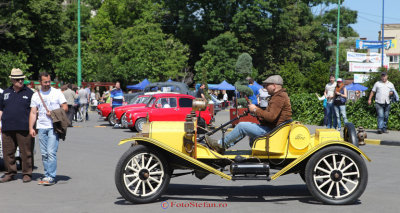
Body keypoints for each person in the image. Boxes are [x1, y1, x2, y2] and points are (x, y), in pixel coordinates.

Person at [207, 75, 292, 153]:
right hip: (273, 129)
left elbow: (271, 117)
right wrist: (255, 112)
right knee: (245, 127)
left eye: (266, 85)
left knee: (242, 126)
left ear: (274, 85)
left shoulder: (279, 97)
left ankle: (221, 145)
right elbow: (269, 116)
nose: (265, 87)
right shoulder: (279, 96)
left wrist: (255, 109)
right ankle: (223, 145)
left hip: (272, 131)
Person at [29, 72, 68, 186]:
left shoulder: (57, 92)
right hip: (41, 127)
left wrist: (54, 113)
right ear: (40, 82)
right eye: (45, 82)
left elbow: (65, 107)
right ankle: (47, 174)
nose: (47, 84)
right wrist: (31, 127)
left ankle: (51, 176)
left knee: (51, 152)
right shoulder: (36, 95)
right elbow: (32, 112)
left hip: (53, 127)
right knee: (44, 153)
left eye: (49, 81)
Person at [0, 68, 34, 183]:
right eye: (18, 79)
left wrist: (32, 127)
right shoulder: (6, 93)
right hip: (7, 127)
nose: (20, 81)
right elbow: (1, 109)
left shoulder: (29, 93)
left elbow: (34, 111)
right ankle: (10, 173)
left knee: (26, 152)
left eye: (22, 79)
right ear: (12, 80)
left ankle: (27, 173)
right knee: (8, 152)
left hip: (24, 127)